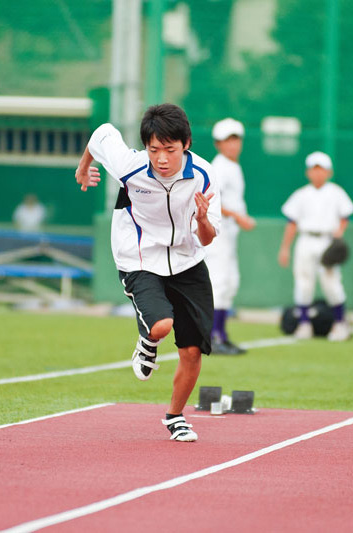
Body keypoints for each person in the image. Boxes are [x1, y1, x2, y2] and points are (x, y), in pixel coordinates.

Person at [75, 103, 221, 442]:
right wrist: (84, 167)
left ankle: (175, 417)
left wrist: (201, 218)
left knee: (193, 350)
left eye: (170, 150)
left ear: (186, 144)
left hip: (187, 258)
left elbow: (208, 238)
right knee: (160, 325)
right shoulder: (131, 166)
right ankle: (147, 340)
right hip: (139, 256)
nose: (162, 159)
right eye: (154, 150)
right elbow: (100, 135)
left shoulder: (205, 176)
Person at [278, 151, 353, 341]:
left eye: (322, 169)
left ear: (329, 172)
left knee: (332, 283)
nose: (318, 173)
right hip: (305, 239)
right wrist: (285, 247)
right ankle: (304, 325)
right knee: (304, 284)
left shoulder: (336, 192)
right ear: (308, 172)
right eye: (314, 169)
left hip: (327, 240)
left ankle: (339, 324)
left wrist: (339, 233)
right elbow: (292, 223)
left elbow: (345, 217)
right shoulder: (301, 194)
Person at [204, 118, 256, 355]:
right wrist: (237, 215)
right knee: (219, 282)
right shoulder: (220, 166)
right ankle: (213, 336)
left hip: (229, 233)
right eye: (227, 140)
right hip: (217, 231)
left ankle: (221, 335)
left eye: (235, 139)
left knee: (230, 283)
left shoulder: (233, 166)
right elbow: (210, 198)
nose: (232, 144)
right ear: (218, 144)